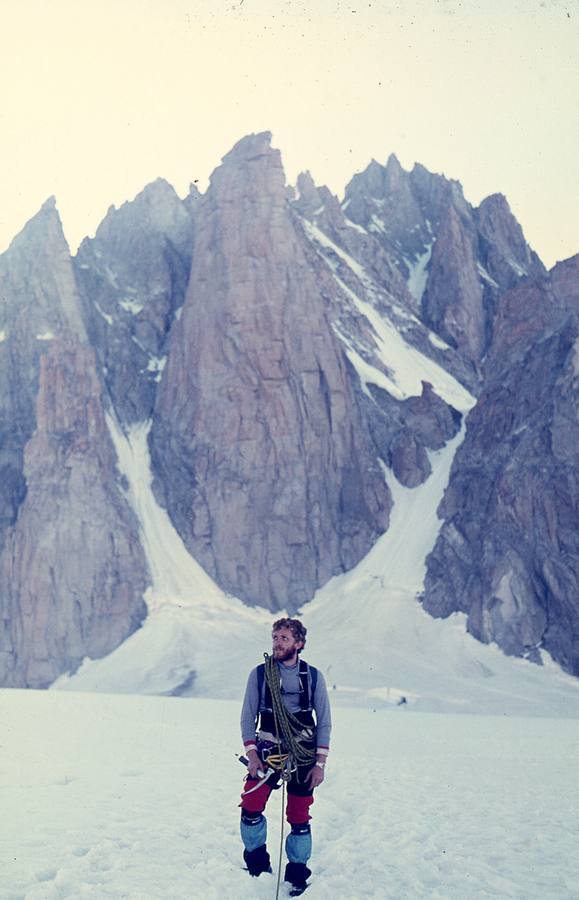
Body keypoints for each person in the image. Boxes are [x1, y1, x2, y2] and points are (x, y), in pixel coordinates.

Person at [239, 617, 331, 896]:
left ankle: (297, 875)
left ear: (299, 644)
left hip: (303, 756)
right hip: (268, 753)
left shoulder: (313, 677)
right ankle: (256, 866)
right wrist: (252, 754)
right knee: (251, 806)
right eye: (275, 638)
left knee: (299, 816)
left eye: (284, 638)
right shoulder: (259, 674)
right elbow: (247, 717)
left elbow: (324, 721)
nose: (277, 643)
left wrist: (319, 763)